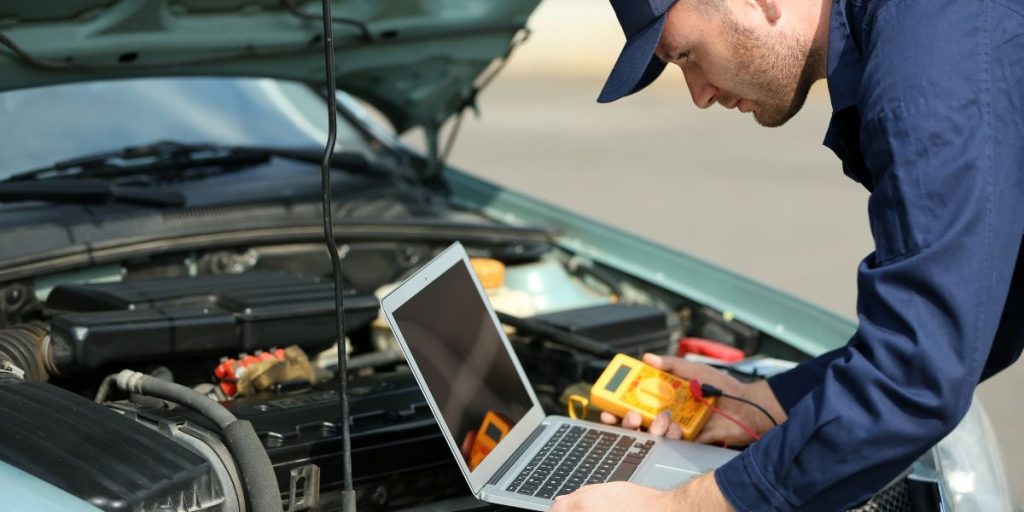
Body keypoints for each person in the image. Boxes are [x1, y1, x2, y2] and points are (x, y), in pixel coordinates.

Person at [549, 0, 1024, 509]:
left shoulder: (931, 62)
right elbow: (985, 321)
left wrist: (682, 505)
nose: (698, 94)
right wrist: (763, 402)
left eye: (686, 55)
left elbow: (916, 372)